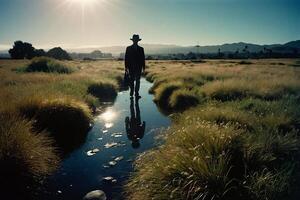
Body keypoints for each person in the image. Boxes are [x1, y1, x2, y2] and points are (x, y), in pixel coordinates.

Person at [125, 34, 146, 98]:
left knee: (138, 80)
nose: (135, 41)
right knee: (132, 80)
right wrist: (126, 67)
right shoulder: (128, 48)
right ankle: (132, 91)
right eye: (134, 40)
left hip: (138, 67)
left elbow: (143, 59)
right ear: (133, 40)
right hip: (131, 67)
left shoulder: (141, 49)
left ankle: (136, 93)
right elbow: (126, 58)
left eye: (136, 40)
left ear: (138, 41)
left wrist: (143, 68)